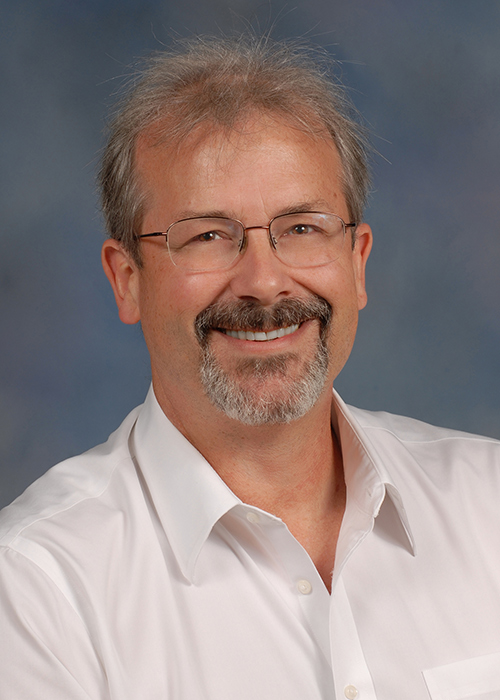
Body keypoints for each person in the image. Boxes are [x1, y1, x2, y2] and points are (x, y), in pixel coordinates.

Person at [1, 36, 499, 700]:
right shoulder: (38, 591)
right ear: (126, 281)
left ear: (358, 262)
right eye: (208, 235)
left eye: (302, 228)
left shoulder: (487, 503)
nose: (264, 283)